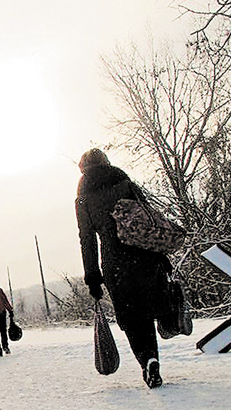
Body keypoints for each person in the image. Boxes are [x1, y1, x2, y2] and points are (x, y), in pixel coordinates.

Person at [74, 148, 175, 388]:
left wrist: (92, 277)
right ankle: (154, 352)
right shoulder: (125, 182)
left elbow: (86, 239)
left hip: (115, 263)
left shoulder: (84, 198)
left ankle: (147, 360)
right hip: (145, 255)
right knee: (149, 309)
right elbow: (151, 219)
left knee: (131, 317)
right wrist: (162, 255)